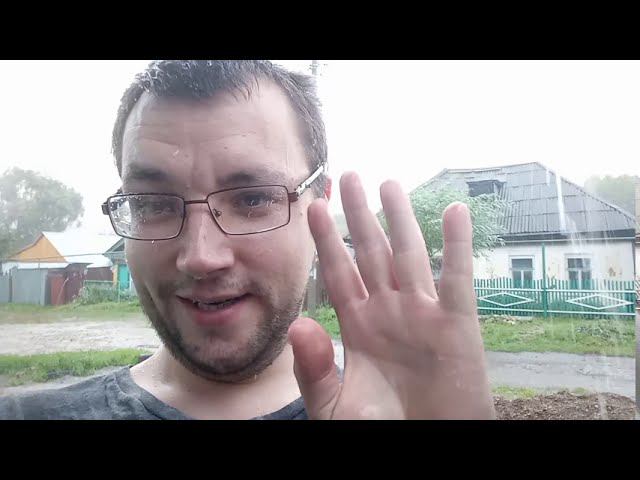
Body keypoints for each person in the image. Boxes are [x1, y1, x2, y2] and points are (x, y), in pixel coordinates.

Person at [0, 60, 495, 420]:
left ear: (319, 203)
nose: (201, 257)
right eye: (152, 204)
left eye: (254, 198)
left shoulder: (402, 407)